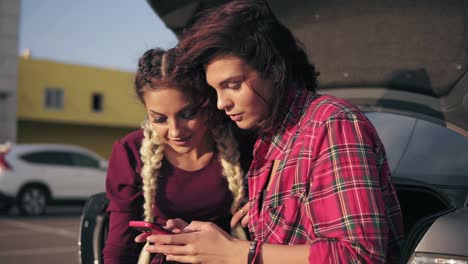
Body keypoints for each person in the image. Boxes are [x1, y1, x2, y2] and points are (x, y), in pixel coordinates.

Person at [137, 0, 405, 263]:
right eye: (215, 90)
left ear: (274, 70)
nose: (221, 103)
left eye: (232, 84)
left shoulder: (332, 124)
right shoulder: (269, 140)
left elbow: (358, 255)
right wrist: (202, 245)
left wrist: (234, 252)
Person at [103, 47, 249, 264]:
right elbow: (120, 247)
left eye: (188, 114)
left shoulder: (243, 141)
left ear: (207, 102)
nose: (175, 132)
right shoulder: (130, 151)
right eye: (160, 119)